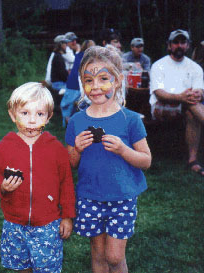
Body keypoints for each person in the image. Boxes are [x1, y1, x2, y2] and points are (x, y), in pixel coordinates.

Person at [65, 46, 152, 273]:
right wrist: (77, 148)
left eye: (103, 79)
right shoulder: (76, 121)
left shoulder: (130, 120)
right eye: (89, 80)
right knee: (98, 253)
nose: (95, 87)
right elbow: (70, 163)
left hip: (121, 197)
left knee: (114, 256)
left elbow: (146, 160)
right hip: (90, 196)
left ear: (117, 81)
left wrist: (124, 150)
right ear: (82, 83)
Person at [0, 82, 76, 273]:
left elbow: (66, 183)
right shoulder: (5, 147)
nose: (32, 120)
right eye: (25, 113)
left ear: (49, 117)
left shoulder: (55, 148)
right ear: (12, 114)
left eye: (39, 114)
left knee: (47, 268)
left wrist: (67, 217)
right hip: (14, 223)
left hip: (47, 225)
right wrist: (1, 187)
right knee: (20, 268)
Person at [149, 29, 204, 177]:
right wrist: (181, 97)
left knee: (191, 111)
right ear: (169, 45)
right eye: (175, 42)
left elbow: (201, 91)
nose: (179, 45)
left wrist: (197, 94)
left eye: (183, 42)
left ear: (188, 45)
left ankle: (193, 161)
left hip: (188, 106)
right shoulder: (159, 65)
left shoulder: (194, 67)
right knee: (191, 105)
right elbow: (159, 93)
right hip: (161, 107)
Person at [60, 39, 96, 126]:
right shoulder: (90, 60)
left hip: (71, 84)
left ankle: (68, 121)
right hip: (78, 86)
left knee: (68, 106)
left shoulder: (78, 55)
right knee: (85, 102)